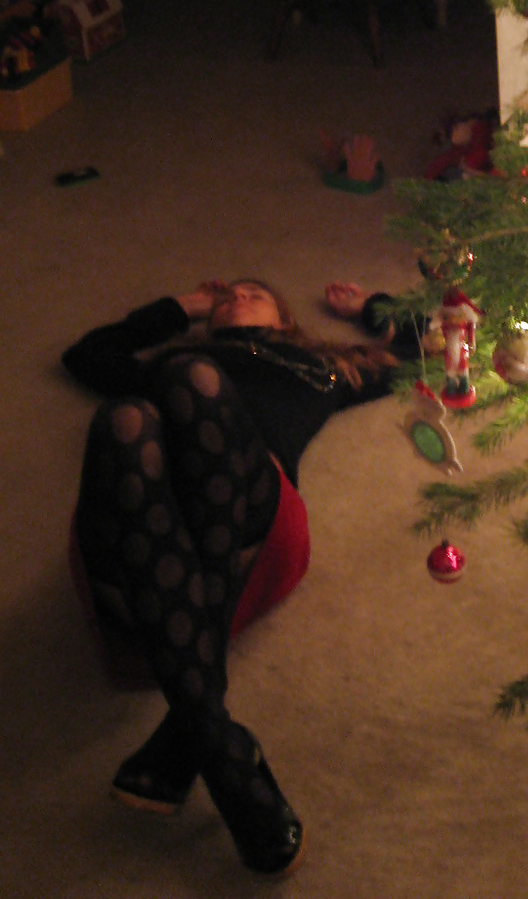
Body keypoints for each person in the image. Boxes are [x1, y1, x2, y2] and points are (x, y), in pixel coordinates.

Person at [63, 277, 419, 878]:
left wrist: (368, 308)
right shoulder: (173, 353)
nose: (234, 297)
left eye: (252, 292)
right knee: (126, 418)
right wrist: (181, 308)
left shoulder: (324, 367)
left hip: (256, 534)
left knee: (189, 383)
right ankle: (222, 753)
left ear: (283, 317)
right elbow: (87, 356)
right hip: (132, 535)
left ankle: (196, 731)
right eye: (224, 297)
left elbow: (416, 354)